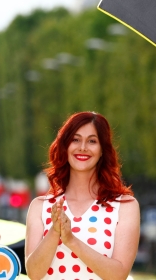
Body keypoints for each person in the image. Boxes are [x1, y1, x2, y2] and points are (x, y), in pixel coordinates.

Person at [25, 111, 140, 279]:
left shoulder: (125, 206)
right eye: (75, 139)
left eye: (92, 141)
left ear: (102, 150)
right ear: (65, 146)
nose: (83, 147)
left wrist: (71, 240)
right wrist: (54, 232)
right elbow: (34, 273)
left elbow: (119, 274)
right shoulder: (40, 206)